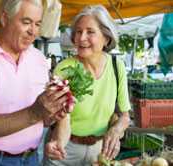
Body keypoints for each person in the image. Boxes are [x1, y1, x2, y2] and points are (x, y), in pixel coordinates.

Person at [0, 0, 72, 165]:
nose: (33, 32)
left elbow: (42, 119)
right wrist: (34, 112)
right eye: (26, 22)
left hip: (31, 157)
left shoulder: (38, 58)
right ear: (4, 18)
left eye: (38, 24)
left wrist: (52, 114)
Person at [44, 5, 131, 165]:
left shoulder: (116, 66)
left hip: (100, 150)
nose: (82, 38)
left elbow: (125, 116)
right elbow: (63, 119)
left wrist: (116, 130)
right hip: (65, 149)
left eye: (90, 32)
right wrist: (59, 145)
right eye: (78, 31)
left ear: (106, 37)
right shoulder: (65, 69)